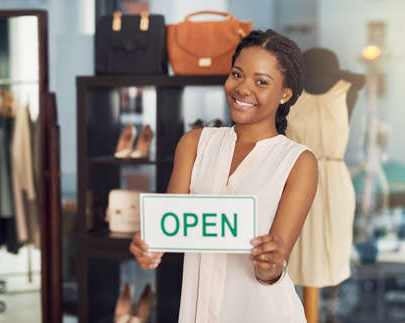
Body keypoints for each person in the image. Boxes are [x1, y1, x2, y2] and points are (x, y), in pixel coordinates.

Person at [130, 29, 318, 322]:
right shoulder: (194, 144)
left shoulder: (297, 161)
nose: (242, 88)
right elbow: (165, 230)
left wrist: (271, 264)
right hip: (200, 311)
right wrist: (147, 247)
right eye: (237, 74)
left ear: (285, 94)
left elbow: (273, 267)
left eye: (261, 82)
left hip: (264, 312)